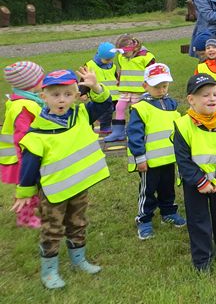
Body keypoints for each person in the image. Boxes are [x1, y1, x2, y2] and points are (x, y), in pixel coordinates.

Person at [13, 68, 113, 289]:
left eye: (68, 94)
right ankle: (49, 270)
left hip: (78, 186)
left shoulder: (81, 115)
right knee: (53, 228)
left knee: (78, 222)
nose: (62, 99)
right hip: (54, 193)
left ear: (76, 95)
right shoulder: (37, 133)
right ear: (44, 97)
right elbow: (29, 166)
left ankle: (79, 260)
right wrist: (24, 192)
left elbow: (105, 105)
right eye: (55, 94)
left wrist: (96, 87)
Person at [173, 74, 216, 272]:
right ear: (191, 100)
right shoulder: (182, 125)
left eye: (215, 94)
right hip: (195, 183)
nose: (212, 99)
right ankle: (202, 259)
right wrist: (200, 181)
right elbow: (183, 159)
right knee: (198, 220)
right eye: (205, 95)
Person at [126, 63, 185, 240]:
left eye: (164, 86)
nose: (161, 90)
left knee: (168, 187)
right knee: (148, 190)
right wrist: (140, 158)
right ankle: (144, 219)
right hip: (149, 161)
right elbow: (135, 135)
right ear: (145, 86)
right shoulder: (140, 108)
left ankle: (168, 211)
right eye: (156, 86)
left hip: (168, 158)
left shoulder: (171, 104)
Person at [1, 61, 45, 228]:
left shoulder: (27, 101)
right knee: (28, 184)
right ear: (31, 84)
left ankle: (36, 208)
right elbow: (22, 137)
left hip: (26, 154)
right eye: (41, 78)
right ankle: (25, 217)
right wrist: (26, 159)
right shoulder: (23, 106)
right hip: (22, 156)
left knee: (34, 184)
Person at [107, 34, 156, 143]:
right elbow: (122, 70)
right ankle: (118, 132)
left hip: (140, 92)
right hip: (125, 89)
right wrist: (119, 79)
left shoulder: (146, 57)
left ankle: (137, 131)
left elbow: (152, 73)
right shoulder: (121, 57)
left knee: (135, 111)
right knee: (119, 107)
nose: (122, 55)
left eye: (124, 52)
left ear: (133, 48)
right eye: (120, 52)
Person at [85, 41, 119, 135]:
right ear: (100, 56)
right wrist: (84, 92)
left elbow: (115, 77)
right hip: (99, 95)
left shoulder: (112, 66)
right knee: (106, 111)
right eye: (107, 59)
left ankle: (101, 120)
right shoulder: (90, 65)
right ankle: (105, 127)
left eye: (111, 59)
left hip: (113, 95)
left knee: (111, 110)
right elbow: (85, 79)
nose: (109, 61)